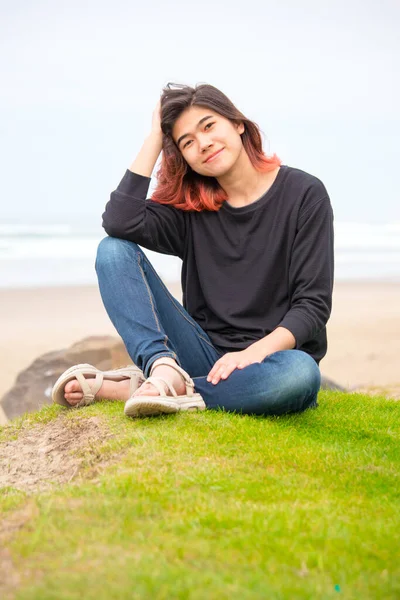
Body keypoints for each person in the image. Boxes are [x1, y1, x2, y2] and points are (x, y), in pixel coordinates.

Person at [52, 82, 334, 419]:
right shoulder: (191, 210)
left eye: (209, 126)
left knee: (300, 375)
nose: (203, 144)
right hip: (200, 352)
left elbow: (313, 306)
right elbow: (119, 222)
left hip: (271, 361)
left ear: (238, 123)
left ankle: (168, 389)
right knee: (113, 251)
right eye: (187, 142)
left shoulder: (304, 194)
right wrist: (155, 137)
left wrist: (253, 354)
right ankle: (163, 370)